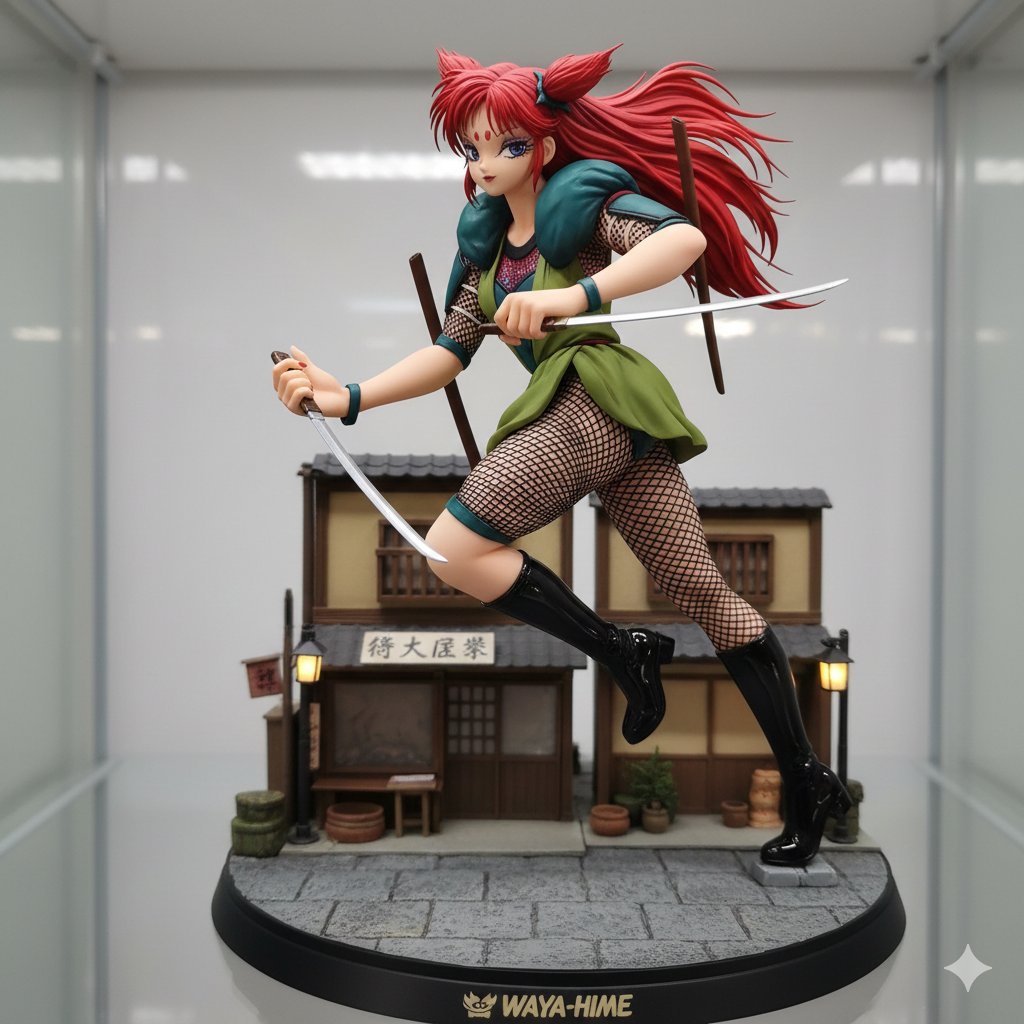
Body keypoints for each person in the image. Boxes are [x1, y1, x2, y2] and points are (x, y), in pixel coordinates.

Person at [272, 47, 848, 866]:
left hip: (594, 398)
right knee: (708, 598)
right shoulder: (483, 242)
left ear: (541, 145)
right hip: (602, 422)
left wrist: (576, 295)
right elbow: (449, 352)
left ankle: (626, 655)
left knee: (455, 545)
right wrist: (349, 395)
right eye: (472, 146)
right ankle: (805, 775)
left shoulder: (580, 205)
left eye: (505, 145)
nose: (485, 162)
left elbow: (679, 238)